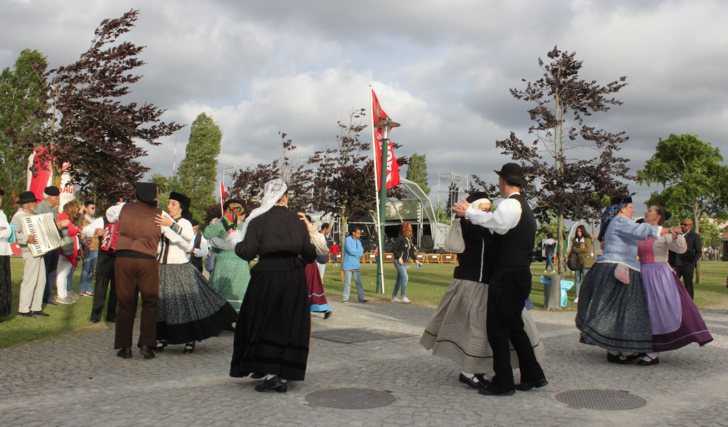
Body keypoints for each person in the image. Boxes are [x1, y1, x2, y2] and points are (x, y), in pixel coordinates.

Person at [422, 194, 545, 390]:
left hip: (492, 285)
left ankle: (490, 369)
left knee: (500, 329)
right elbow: (460, 245)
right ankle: (469, 371)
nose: (488, 212)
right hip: (474, 285)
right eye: (484, 209)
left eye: (489, 209)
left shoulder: (488, 227)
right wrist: (463, 216)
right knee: (478, 330)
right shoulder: (470, 226)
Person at [452, 163, 547, 396]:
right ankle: (533, 375)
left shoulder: (511, 204)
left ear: (503, 181)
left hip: (508, 275)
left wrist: (469, 212)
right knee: (514, 327)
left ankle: (503, 383)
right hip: (519, 273)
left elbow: (498, 223)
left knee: (497, 329)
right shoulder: (524, 206)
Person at [229, 179, 317, 393]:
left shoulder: (259, 220)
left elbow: (247, 253)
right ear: (285, 196)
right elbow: (309, 255)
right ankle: (284, 374)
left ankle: (270, 373)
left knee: (266, 321)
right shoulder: (298, 220)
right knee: (290, 322)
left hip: (267, 275)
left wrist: (234, 241)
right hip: (294, 276)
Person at [576, 195, 680, 364]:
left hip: (617, 267)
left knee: (617, 309)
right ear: (623, 208)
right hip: (618, 268)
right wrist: (668, 229)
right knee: (624, 309)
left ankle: (616, 349)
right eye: (631, 207)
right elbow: (641, 230)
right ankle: (621, 349)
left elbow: (634, 235)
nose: (633, 210)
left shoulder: (616, 222)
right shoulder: (621, 220)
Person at [155, 192, 238, 354]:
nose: (169, 206)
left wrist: (170, 227)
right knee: (162, 303)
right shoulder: (163, 221)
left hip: (179, 267)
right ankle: (162, 337)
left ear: (181, 207)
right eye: (169, 203)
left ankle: (189, 338)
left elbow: (187, 243)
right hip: (162, 267)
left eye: (173, 204)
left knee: (185, 303)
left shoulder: (184, 223)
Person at [637, 205, 712, 366]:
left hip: (659, 275)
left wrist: (677, 236)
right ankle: (643, 345)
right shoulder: (642, 232)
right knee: (642, 311)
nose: (645, 212)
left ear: (657, 217)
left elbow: (681, 249)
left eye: (649, 211)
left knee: (656, 310)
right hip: (642, 273)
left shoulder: (665, 234)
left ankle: (653, 351)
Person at [106, 182, 164, 359]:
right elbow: (170, 230)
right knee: (150, 302)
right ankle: (147, 344)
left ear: (137, 194)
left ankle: (125, 347)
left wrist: (123, 207)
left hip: (124, 257)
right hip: (147, 259)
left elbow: (109, 215)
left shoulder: (123, 208)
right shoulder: (160, 214)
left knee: (125, 302)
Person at [204, 200, 250, 311]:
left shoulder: (221, 224)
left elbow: (208, 235)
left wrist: (211, 224)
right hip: (241, 261)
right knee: (239, 292)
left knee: (219, 293)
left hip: (223, 260)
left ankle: (220, 314)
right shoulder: (246, 226)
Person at [12, 191, 48, 318]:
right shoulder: (18, 217)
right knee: (30, 280)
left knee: (41, 280)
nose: (36, 205)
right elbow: (13, 234)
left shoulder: (33, 215)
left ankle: (36, 307)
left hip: (39, 250)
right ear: (28, 204)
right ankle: (23, 308)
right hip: (29, 250)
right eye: (34, 203)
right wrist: (26, 238)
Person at [84, 202, 120, 323]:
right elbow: (86, 230)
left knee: (116, 287)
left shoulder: (124, 221)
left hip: (118, 257)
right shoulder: (102, 220)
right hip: (104, 257)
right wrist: (96, 230)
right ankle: (95, 316)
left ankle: (111, 314)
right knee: (100, 286)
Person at [35, 186, 60, 306]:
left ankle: (48, 297)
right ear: (49, 197)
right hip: (45, 244)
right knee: (43, 271)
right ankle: (39, 297)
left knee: (52, 271)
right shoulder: (40, 207)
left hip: (54, 244)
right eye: (56, 196)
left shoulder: (53, 209)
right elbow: (36, 224)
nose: (58, 198)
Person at [55, 200, 83, 305]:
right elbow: (67, 232)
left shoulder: (65, 217)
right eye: (77, 209)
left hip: (69, 247)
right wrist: (79, 229)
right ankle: (61, 295)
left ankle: (64, 294)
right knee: (63, 272)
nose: (77, 212)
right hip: (66, 249)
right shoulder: (63, 218)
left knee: (65, 272)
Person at [305, 215, 332, 319]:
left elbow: (323, 249)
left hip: (308, 264)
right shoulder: (299, 233)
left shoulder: (314, 234)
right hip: (304, 264)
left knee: (313, 287)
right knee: (312, 287)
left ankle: (325, 309)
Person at [669, 218, 702, 299]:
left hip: (688, 264)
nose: (683, 226)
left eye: (685, 225)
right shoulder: (675, 234)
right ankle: (674, 300)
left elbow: (698, 251)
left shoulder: (694, 236)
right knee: (673, 283)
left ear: (690, 226)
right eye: (682, 224)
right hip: (675, 263)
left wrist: (693, 261)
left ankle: (689, 302)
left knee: (688, 284)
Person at [391, 222, 421, 303]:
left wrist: (416, 260)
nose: (411, 230)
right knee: (405, 277)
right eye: (409, 228)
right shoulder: (400, 238)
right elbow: (394, 249)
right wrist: (399, 257)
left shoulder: (408, 239)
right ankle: (403, 296)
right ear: (405, 229)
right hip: (399, 261)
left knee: (399, 279)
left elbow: (410, 251)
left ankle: (393, 297)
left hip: (405, 262)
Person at [79, 201, 99, 297]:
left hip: (95, 247)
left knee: (91, 270)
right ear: (86, 209)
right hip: (87, 247)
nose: (94, 210)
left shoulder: (96, 221)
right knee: (85, 269)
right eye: (92, 208)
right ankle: (82, 288)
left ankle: (89, 289)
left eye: (95, 208)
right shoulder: (83, 220)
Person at [342, 227, 367, 304]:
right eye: (358, 233)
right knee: (347, 283)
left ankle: (361, 298)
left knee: (359, 282)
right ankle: (345, 298)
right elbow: (350, 250)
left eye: (360, 233)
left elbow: (361, 252)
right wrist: (357, 253)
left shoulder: (359, 242)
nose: (359, 235)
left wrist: (357, 254)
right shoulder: (347, 240)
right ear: (353, 232)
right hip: (348, 265)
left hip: (356, 265)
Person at [570, 225, 594, 303]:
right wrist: (578, 248)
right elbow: (572, 249)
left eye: (580, 231)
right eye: (577, 231)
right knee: (577, 280)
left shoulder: (587, 239)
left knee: (585, 280)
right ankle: (577, 296)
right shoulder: (575, 240)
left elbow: (587, 249)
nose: (578, 233)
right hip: (577, 262)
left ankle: (587, 296)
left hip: (585, 262)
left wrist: (576, 249)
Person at [0, 189, 12, 319]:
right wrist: (4, 231)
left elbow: (8, 231)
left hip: (3, 250)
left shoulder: (2, 214)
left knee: (3, 282)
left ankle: (2, 311)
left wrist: (4, 231)